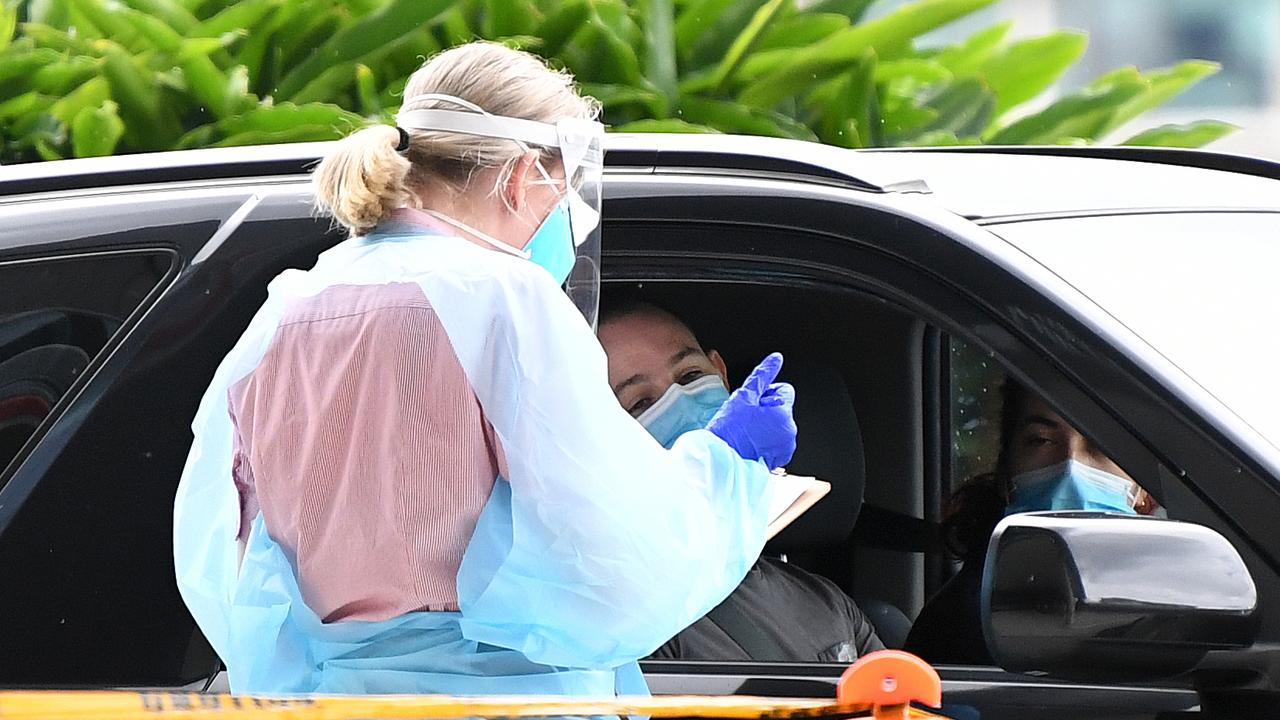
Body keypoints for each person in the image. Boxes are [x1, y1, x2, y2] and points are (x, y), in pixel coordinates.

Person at [172, 42, 798, 697]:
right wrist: (727, 467)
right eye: (562, 192)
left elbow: (224, 575)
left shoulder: (285, 312)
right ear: (524, 175)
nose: (565, 217)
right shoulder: (503, 301)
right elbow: (624, 573)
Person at [598, 301, 883, 662]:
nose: (682, 400)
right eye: (639, 403)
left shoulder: (826, 602)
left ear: (720, 371)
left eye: (689, 377)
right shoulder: (625, 627)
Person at [905, 377, 1158, 664]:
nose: (1070, 467)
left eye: (1103, 445)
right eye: (1041, 440)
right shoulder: (964, 623)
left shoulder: (1166, 598)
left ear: (1144, 488)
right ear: (1005, 474)